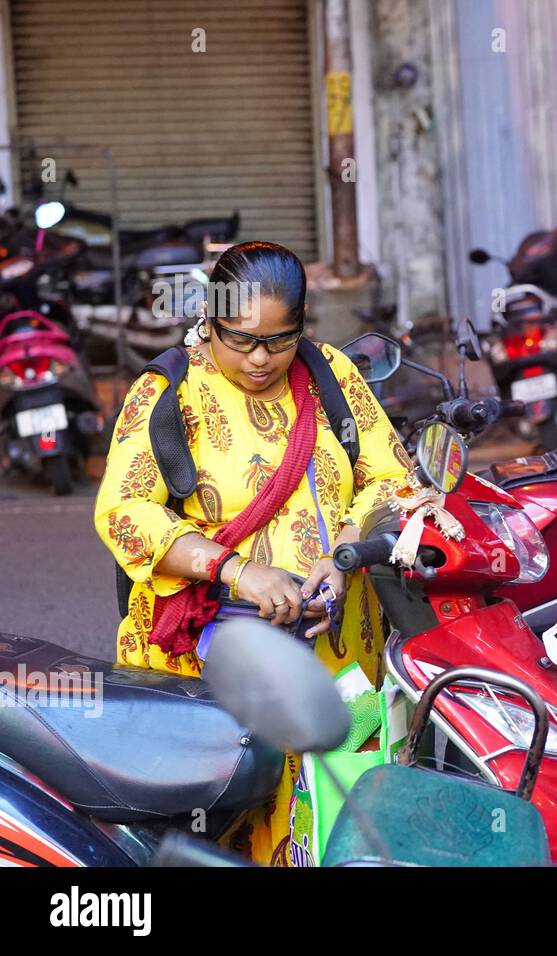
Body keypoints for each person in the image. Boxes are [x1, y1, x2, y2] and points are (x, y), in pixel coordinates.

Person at [94, 241, 411, 865]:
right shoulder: (168, 393)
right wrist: (235, 569)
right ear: (209, 320)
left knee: (332, 812)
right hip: (213, 662)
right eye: (239, 339)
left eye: (280, 339)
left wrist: (345, 551)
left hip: (333, 653)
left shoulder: (331, 377)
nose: (261, 358)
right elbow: (125, 514)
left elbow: (392, 478)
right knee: (219, 825)